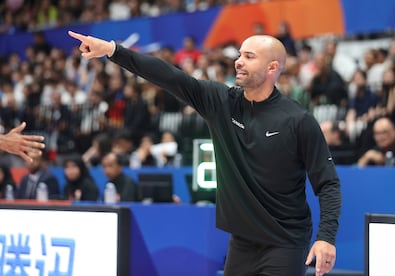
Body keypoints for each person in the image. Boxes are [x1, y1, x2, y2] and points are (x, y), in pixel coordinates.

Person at [68, 31, 342, 276]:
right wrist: (113, 51)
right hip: (242, 241)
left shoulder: (298, 120)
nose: (238, 61)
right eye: (239, 55)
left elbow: (327, 182)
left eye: (249, 56)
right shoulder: (220, 102)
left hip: (286, 242)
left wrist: (326, 237)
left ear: (272, 67)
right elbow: (168, 76)